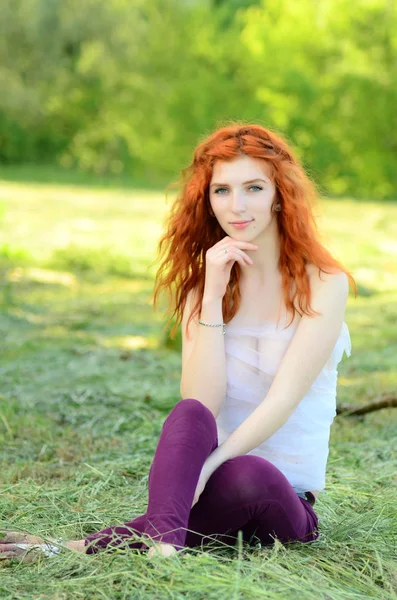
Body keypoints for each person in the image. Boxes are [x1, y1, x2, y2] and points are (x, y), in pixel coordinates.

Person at [0, 122, 356, 563]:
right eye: (221, 191)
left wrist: (206, 469)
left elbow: (282, 401)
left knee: (249, 472)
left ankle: (78, 548)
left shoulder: (324, 283)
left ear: (280, 194)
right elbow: (201, 401)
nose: (237, 205)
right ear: (207, 200)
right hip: (212, 494)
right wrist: (210, 294)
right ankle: (164, 548)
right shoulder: (201, 292)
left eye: (254, 187)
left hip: (280, 502)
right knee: (187, 413)